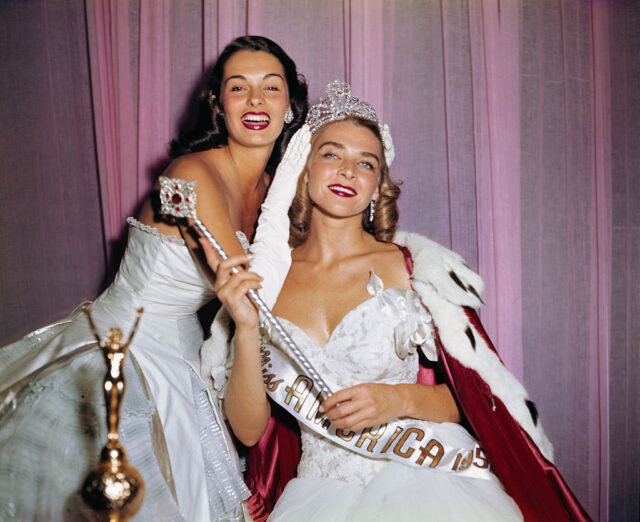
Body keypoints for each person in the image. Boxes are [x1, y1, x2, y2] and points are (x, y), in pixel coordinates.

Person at [208, 81, 590, 521]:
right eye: (332, 154)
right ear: (304, 170)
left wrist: (396, 400)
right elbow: (250, 431)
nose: (348, 171)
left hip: (427, 485)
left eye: (365, 164)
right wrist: (247, 326)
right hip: (316, 498)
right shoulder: (266, 279)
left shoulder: (411, 268)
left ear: (376, 188)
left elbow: (475, 401)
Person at [0, 35, 308, 522]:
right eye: (238, 87)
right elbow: (260, 296)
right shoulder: (191, 173)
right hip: (126, 348)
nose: (255, 101)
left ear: (290, 104)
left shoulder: (273, 191)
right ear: (217, 104)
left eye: (271, 88)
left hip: (185, 356)